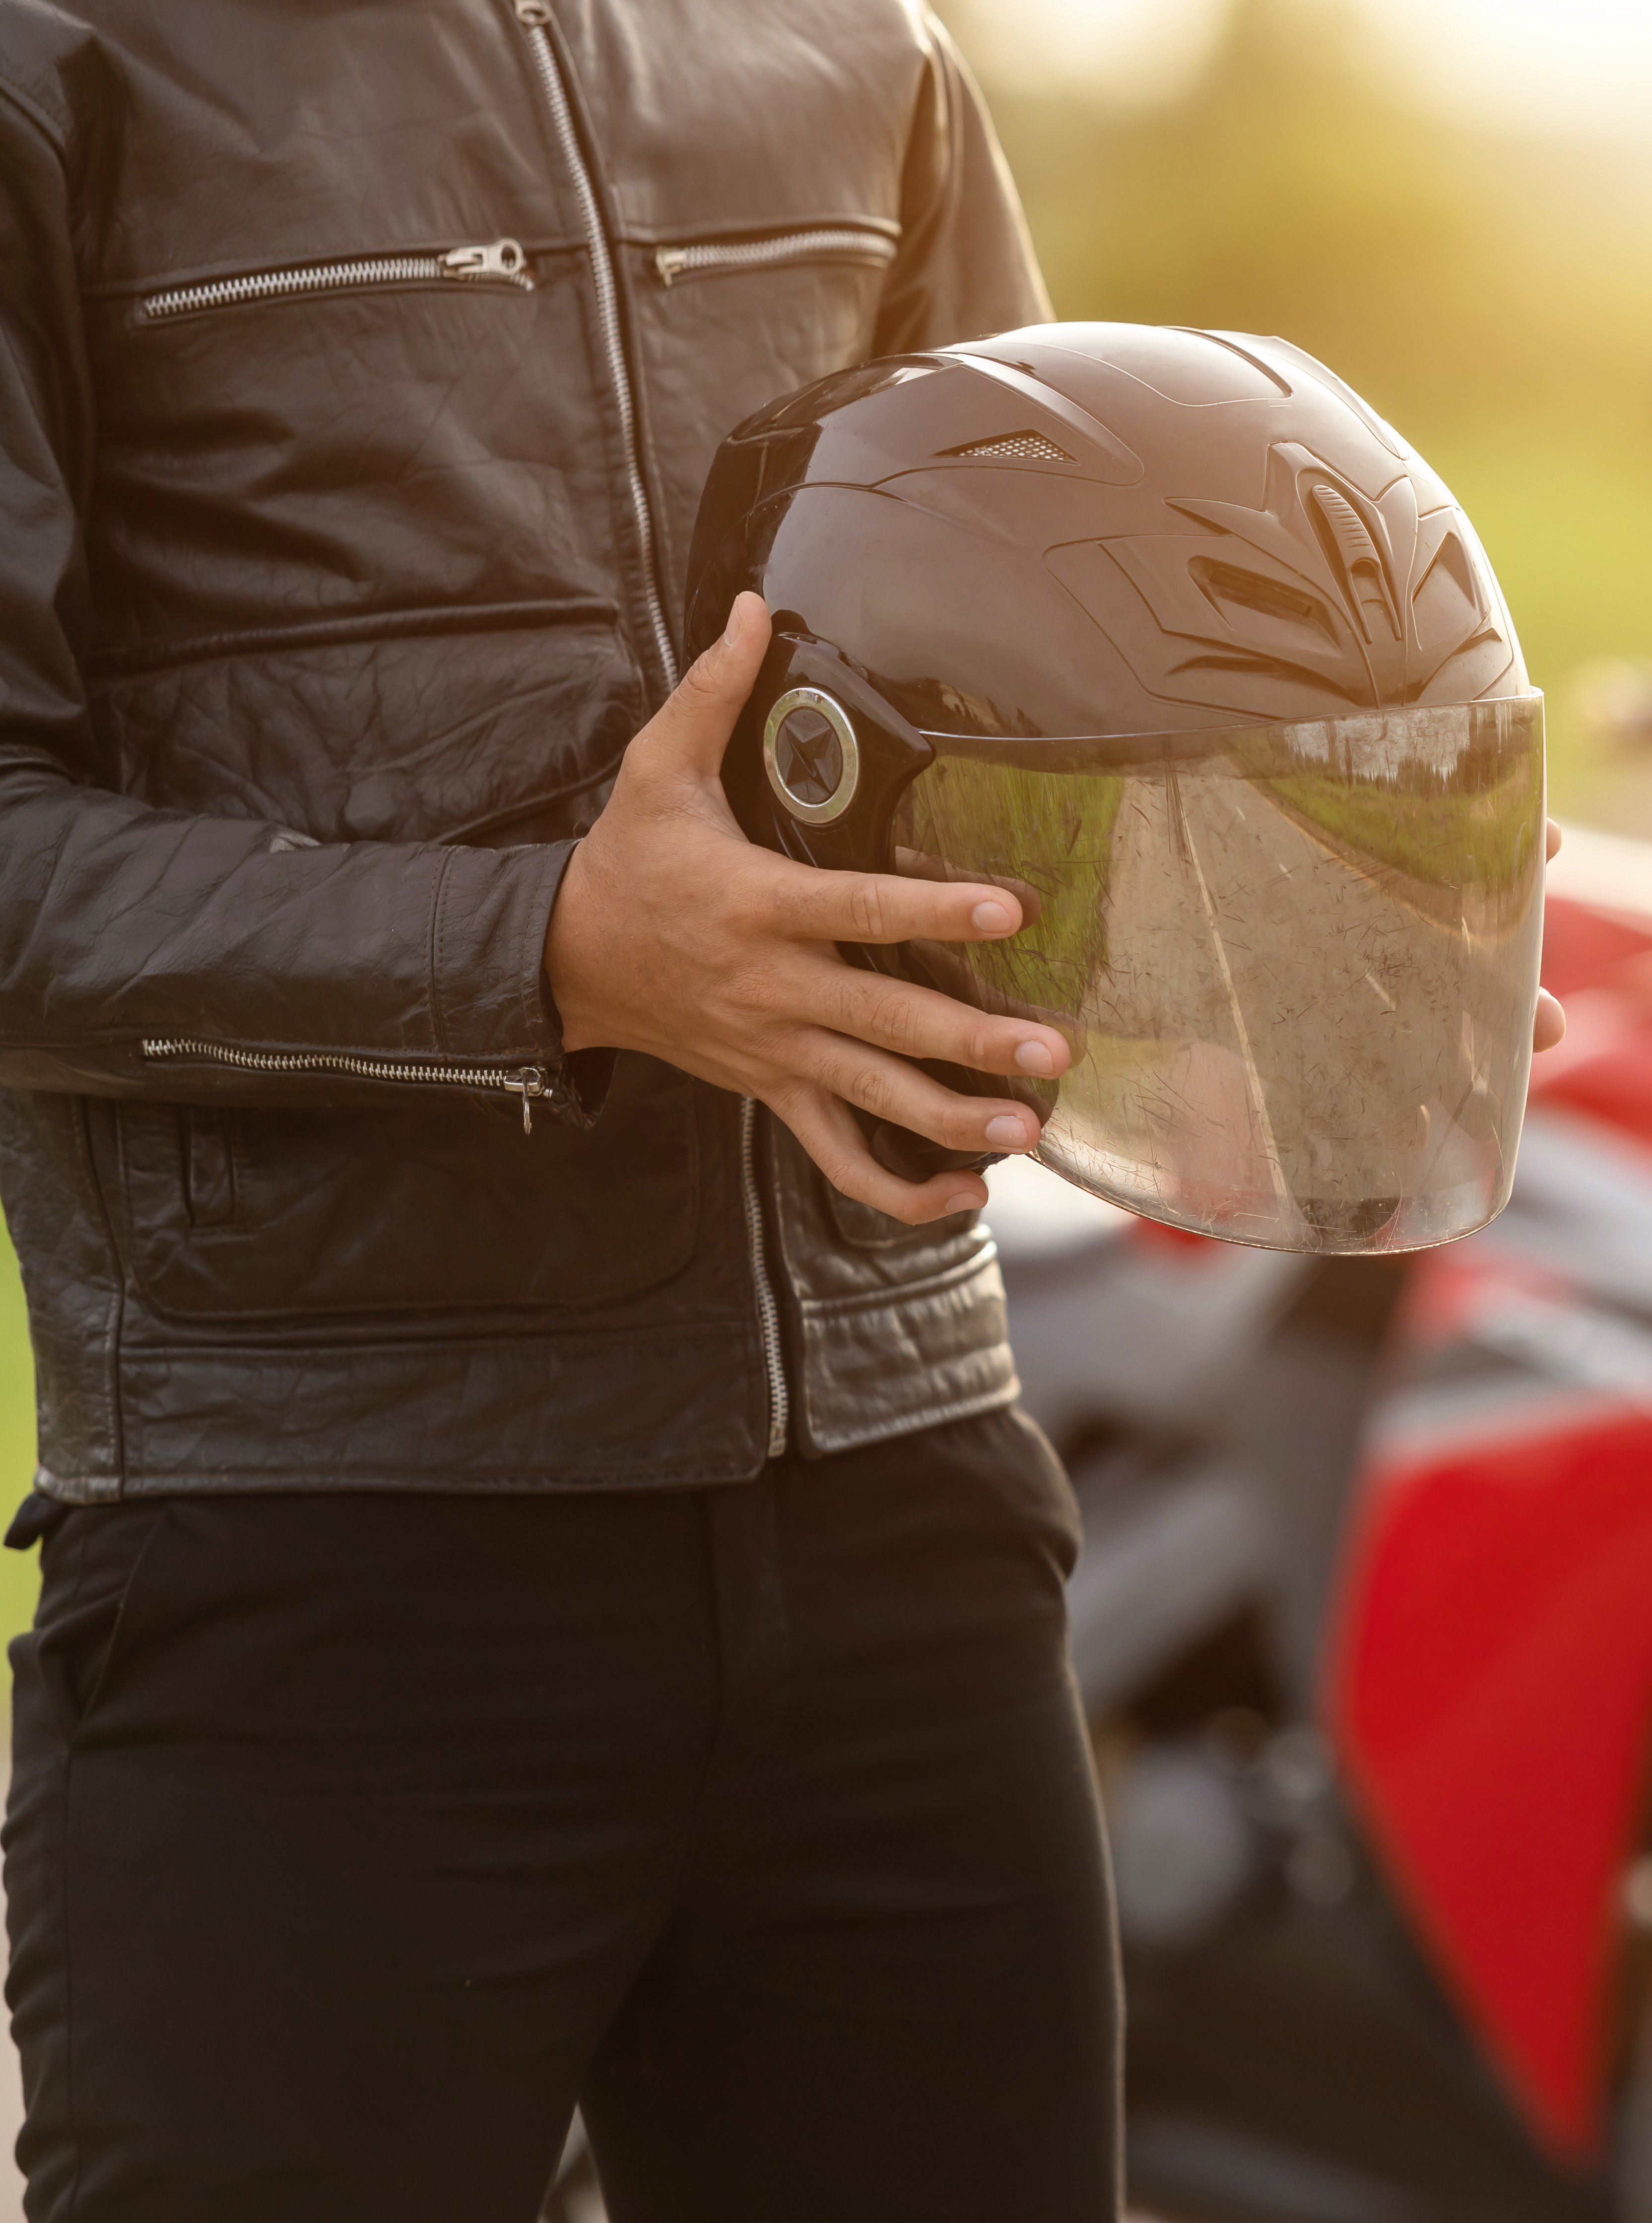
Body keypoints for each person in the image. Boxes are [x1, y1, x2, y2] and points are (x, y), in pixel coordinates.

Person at [0, 5, 1554, 2215]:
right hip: (323, 1566)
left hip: (908, 1519)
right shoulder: (60, 68)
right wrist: (555, 948)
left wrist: (1330, 914)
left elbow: (1051, 678)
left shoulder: (856, 44)